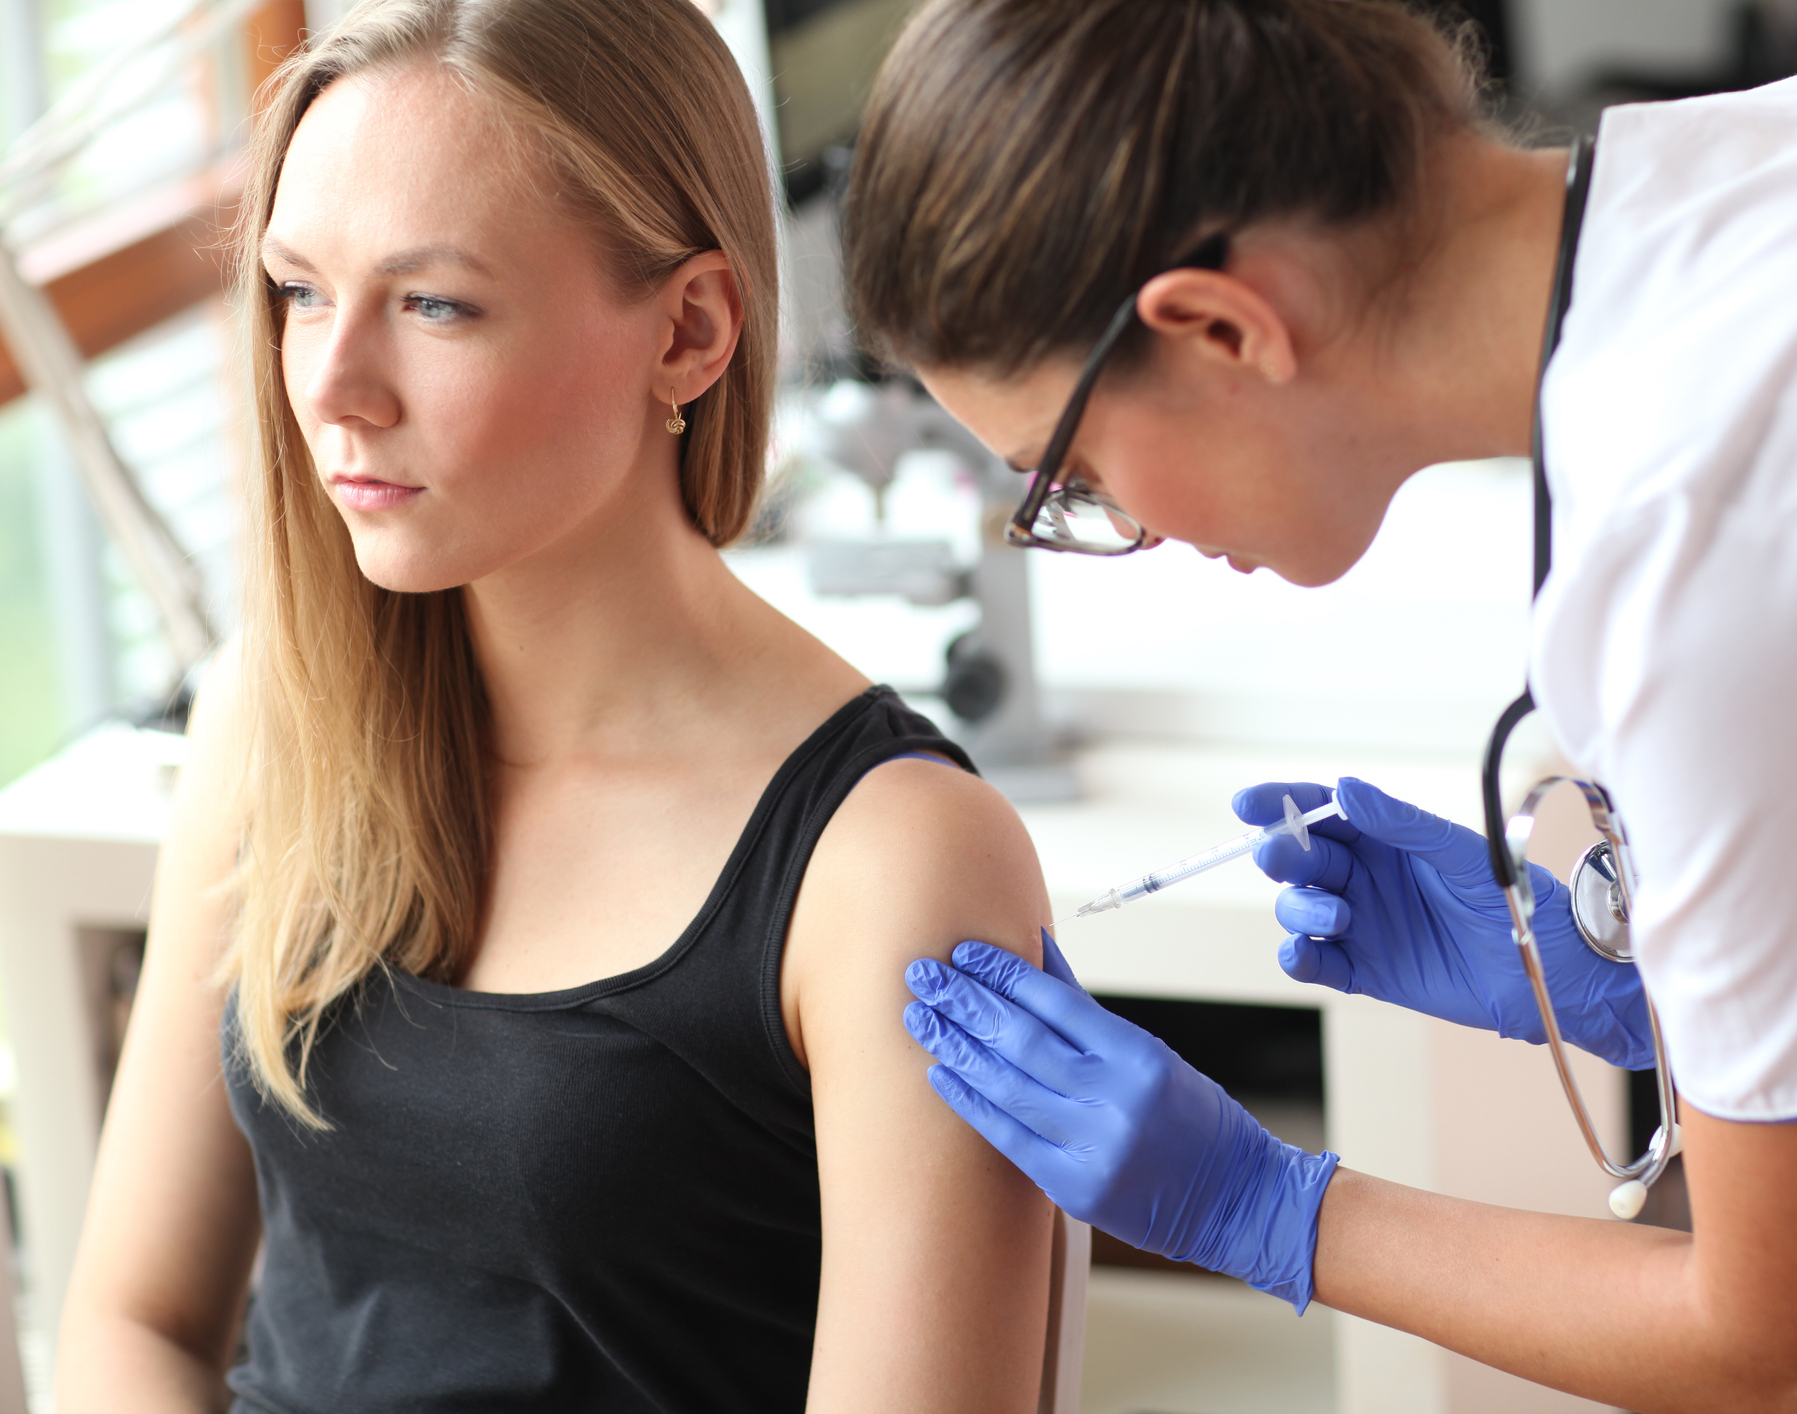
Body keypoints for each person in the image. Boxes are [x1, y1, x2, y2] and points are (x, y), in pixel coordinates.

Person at [843, 0, 1797, 1410]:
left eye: (1064, 479)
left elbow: (1792, 1359)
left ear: (1218, 326)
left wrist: (1259, 1205)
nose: (1110, 523)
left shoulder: (1715, 552)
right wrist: (1665, 979)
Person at [53, 2, 1059, 1410]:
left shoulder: (891, 863)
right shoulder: (274, 721)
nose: (333, 387)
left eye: (434, 303)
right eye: (297, 290)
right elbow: (134, 1323)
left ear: (690, 330)